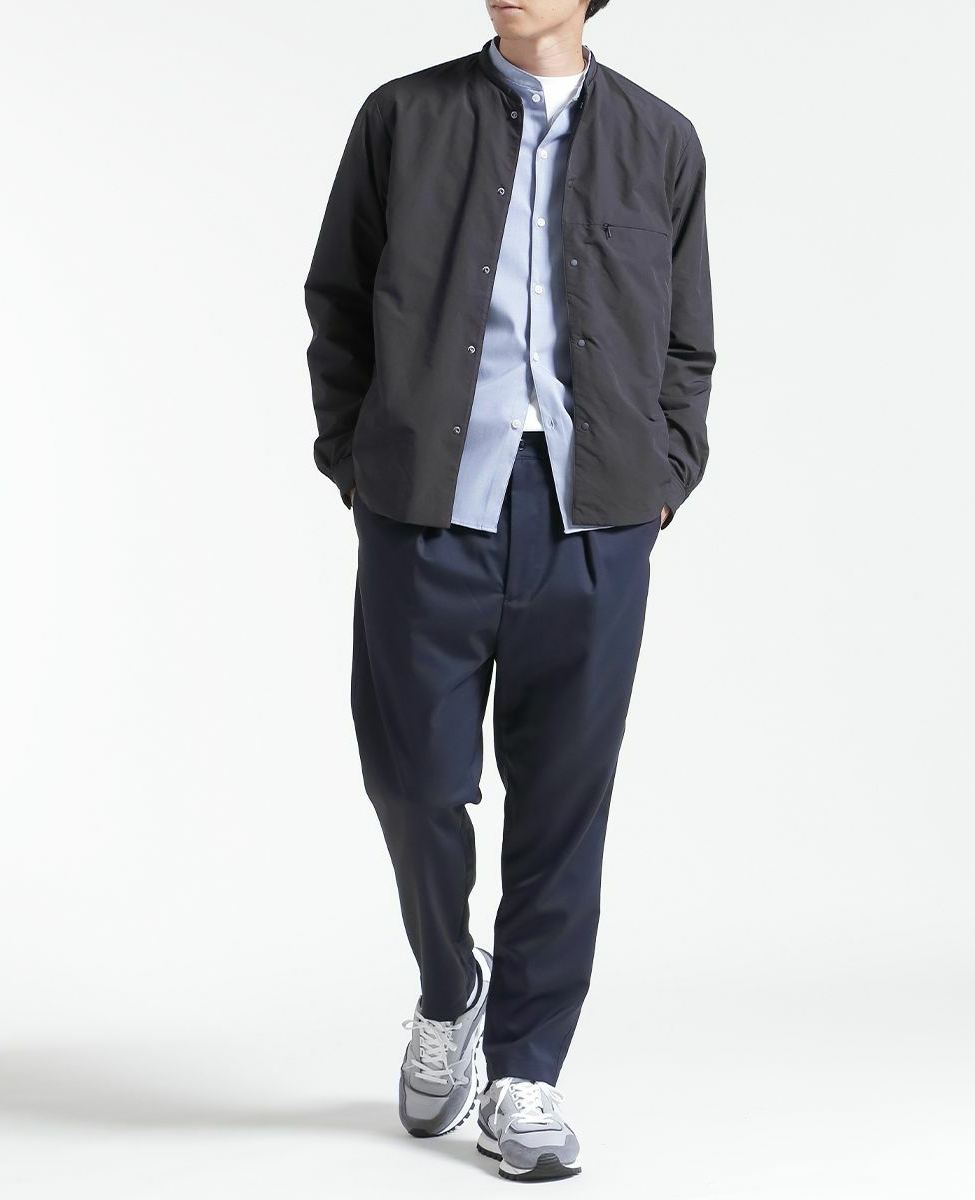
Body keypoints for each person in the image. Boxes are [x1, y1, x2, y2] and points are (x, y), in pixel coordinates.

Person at [303, 0, 715, 1182]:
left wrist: (663, 478)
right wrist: (359, 462)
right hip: (427, 503)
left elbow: (686, 342)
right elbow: (338, 299)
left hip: (593, 517)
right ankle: (450, 990)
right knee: (411, 778)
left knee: (563, 801)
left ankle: (527, 1070)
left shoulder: (660, 139)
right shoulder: (402, 118)